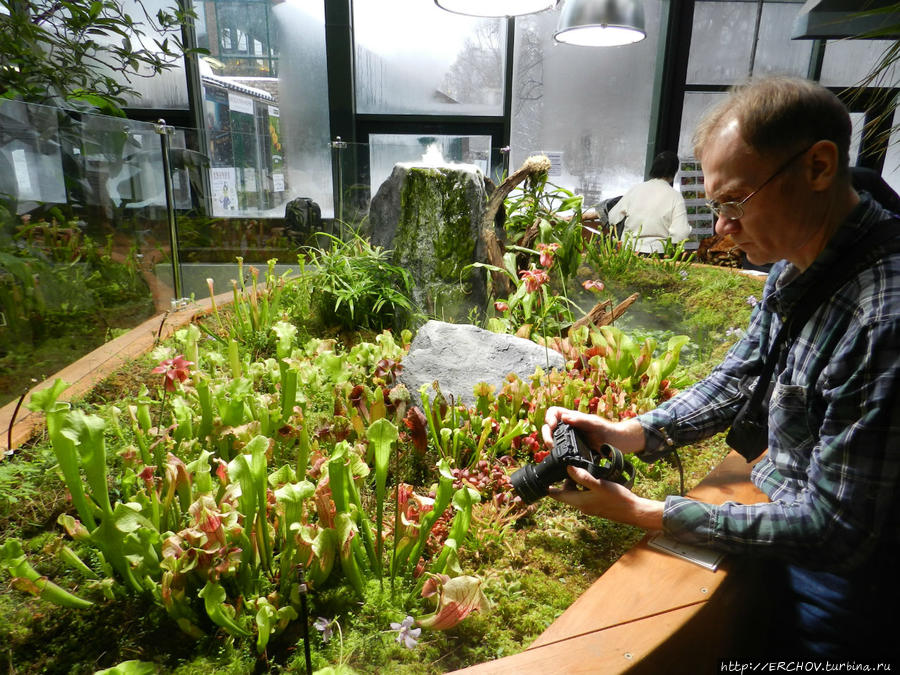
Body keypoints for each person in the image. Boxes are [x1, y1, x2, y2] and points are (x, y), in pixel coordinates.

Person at [542, 76, 900, 661]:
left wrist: (648, 513)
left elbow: (838, 530)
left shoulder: (882, 320)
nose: (721, 229)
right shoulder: (796, 262)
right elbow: (740, 378)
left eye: (735, 202)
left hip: (843, 595)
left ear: (817, 167)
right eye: (714, 206)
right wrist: (631, 432)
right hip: (776, 525)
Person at [607, 150, 692, 254]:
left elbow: (613, 217)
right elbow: (681, 233)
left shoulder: (636, 189)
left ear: (653, 168)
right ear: (674, 171)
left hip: (628, 251)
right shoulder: (675, 196)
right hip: (658, 254)